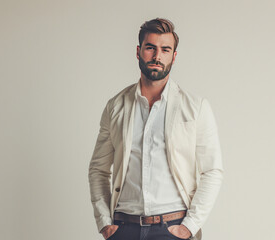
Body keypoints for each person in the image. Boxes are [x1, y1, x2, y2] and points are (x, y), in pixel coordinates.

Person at [88, 18, 223, 240]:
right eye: (150, 48)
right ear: (139, 51)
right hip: (124, 227)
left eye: (165, 49)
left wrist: (189, 226)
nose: (157, 56)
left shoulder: (196, 107)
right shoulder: (116, 106)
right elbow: (98, 169)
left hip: (173, 227)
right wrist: (105, 223)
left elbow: (212, 170)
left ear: (174, 56)